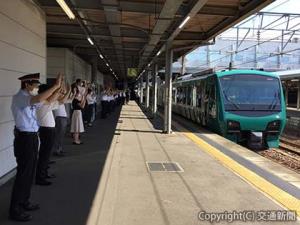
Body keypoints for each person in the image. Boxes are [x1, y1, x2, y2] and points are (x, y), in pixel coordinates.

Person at [10, 73, 62, 222]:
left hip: (31, 137)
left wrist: (57, 89)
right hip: (24, 138)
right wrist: (55, 86)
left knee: (30, 172)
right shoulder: (20, 97)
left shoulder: (29, 98)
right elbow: (39, 98)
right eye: (35, 85)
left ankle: (24, 201)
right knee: (23, 174)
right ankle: (15, 210)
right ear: (27, 85)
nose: (37, 88)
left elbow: (48, 101)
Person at [52, 86, 75, 157]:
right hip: (59, 119)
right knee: (59, 135)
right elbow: (63, 100)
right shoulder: (56, 100)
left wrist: (73, 93)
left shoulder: (60, 100)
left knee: (61, 135)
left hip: (63, 119)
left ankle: (59, 149)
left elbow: (70, 100)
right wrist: (69, 90)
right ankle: (57, 150)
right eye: (61, 93)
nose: (62, 95)